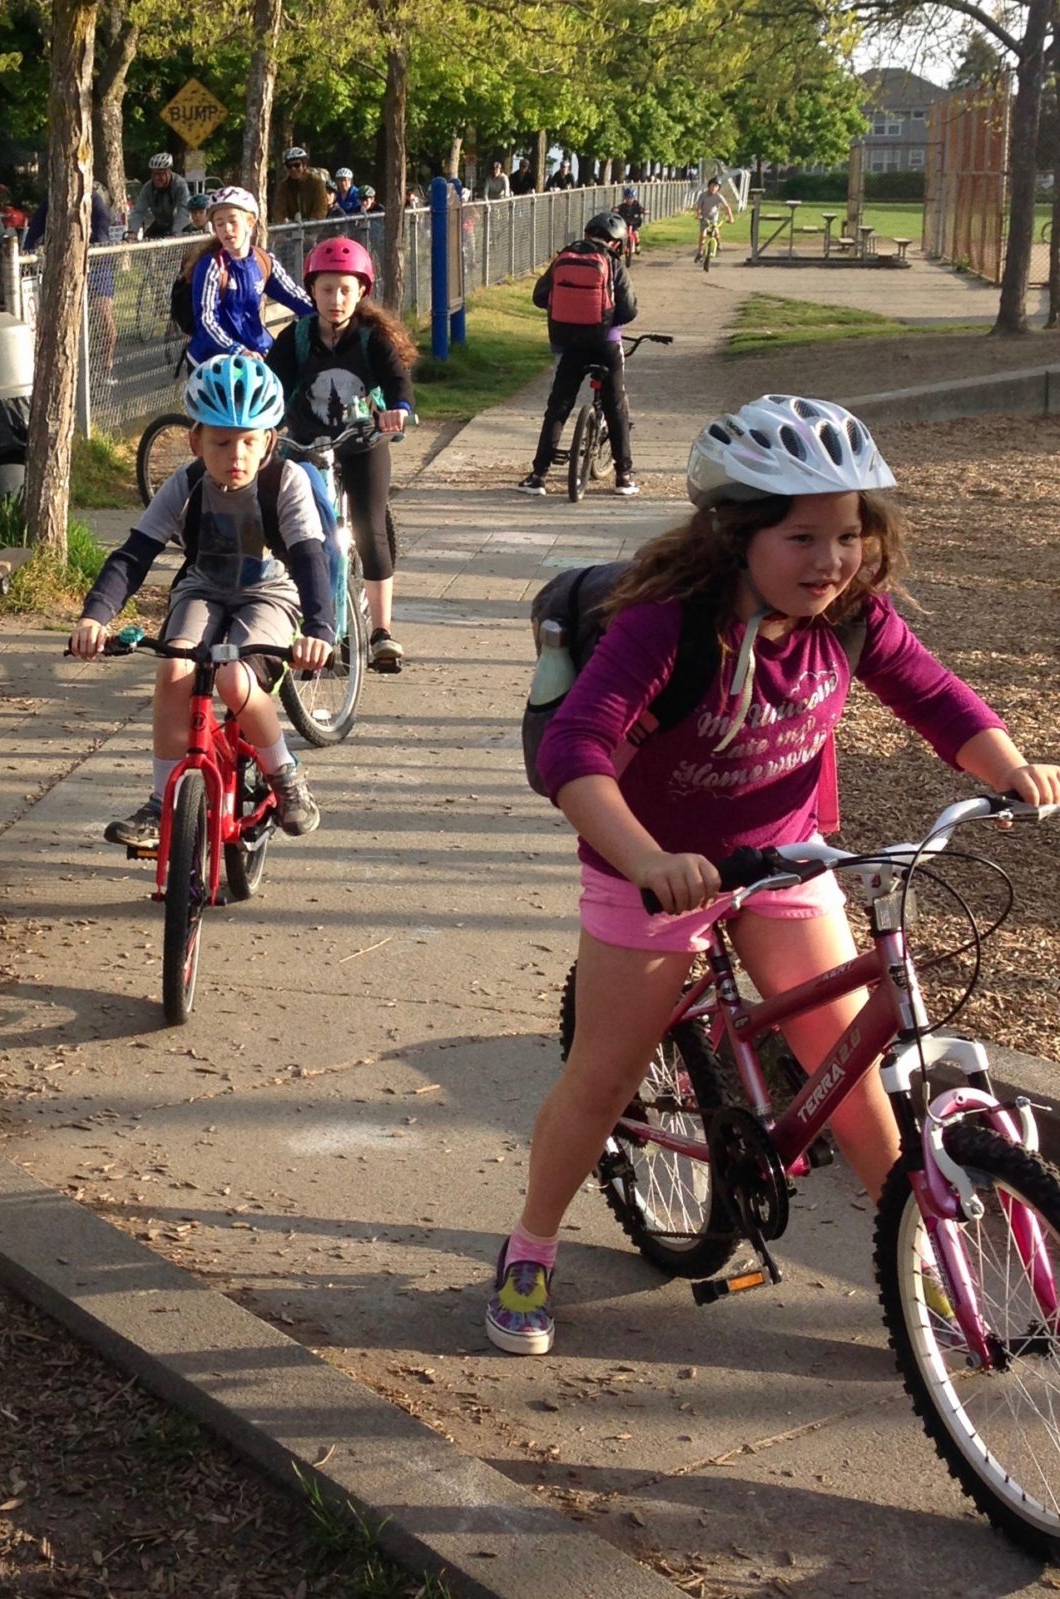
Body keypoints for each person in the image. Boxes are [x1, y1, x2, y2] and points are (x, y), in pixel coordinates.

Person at [487, 393, 1060, 1355]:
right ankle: (530, 1247)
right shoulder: (665, 625)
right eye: (802, 536)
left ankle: (912, 1267)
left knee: (852, 1077)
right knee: (606, 1071)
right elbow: (576, 752)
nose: (830, 561)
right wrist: (648, 859)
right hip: (653, 866)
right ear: (735, 536)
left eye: (847, 534)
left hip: (788, 854)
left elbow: (933, 694)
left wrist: (1006, 766)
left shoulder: (849, 619)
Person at [69, 354, 333, 847]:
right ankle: (160, 802)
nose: (237, 454)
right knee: (173, 670)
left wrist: (319, 630)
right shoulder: (185, 483)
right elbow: (133, 555)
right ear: (195, 440)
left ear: (269, 442)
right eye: (221, 441)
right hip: (202, 589)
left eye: (250, 441)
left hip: (269, 595)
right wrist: (95, 616)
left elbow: (310, 559)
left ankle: (286, 775)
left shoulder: (285, 482)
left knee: (235, 678)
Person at [266, 235, 416, 674]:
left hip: (362, 441)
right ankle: (314, 622)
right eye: (327, 289)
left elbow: (397, 381)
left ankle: (381, 631)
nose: (336, 299)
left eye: (346, 289)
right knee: (305, 532)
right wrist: (265, 425)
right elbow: (273, 385)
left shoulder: (372, 340)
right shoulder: (295, 338)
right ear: (311, 290)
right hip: (307, 445)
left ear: (361, 292)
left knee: (369, 527)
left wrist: (398, 410)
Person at [516, 210, 638, 498]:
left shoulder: (564, 258)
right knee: (616, 406)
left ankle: (538, 476)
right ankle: (623, 477)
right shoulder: (613, 263)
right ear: (616, 243)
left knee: (558, 406)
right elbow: (629, 310)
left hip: (568, 343)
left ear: (587, 234)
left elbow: (539, 297)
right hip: (605, 344)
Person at [182, 186, 314, 366]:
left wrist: (323, 316)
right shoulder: (212, 266)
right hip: (214, 362)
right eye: (219, 224)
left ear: (250, 223)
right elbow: (206, 320)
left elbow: (296, 297)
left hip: (255, 355)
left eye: (233, 221)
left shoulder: (264, 261)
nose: (227, 228)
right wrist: (236, 349)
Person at [23, 190, 117, 377]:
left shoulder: (94, 201)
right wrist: (29, 253)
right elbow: (32, 238)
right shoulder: (52, 199)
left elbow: (101, 236)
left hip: (95, 264)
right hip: (64, 266)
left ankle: (107, 365)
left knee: (102, 312)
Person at [128, 153, 190, 239]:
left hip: (181, 225)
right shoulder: (148, 188)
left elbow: (183, 210)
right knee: (147, 240)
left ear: (169, 172)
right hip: (161, 224)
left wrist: (175, 233)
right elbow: (139, 211)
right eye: (154, 174)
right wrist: (133, 232)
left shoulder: (180, 185)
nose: (157, 178)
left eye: (160, 174)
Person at [271, 148, 330, 224]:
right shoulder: (283, 186)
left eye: (297, 165)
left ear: (304, 165)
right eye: (289, 166)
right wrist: (283, 224)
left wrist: (312, 228)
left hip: (314, 229)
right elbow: (278, 211)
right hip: (289, 231)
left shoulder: (316, 183)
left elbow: (320, 210)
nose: (293, 169)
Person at [693, 176, 734, 261]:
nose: (714, 188)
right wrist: (699, 214)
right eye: (713, 186)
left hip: (713, 216)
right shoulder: (703, 195)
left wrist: (731, 217)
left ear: (718, 188)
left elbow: (727, 207)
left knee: (716, 231)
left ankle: (718, 242)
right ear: (709, 186)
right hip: (704, 216)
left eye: (716, 186)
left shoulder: (719, 196)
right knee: (703, 234)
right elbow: (699, 207)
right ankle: (700, 251)